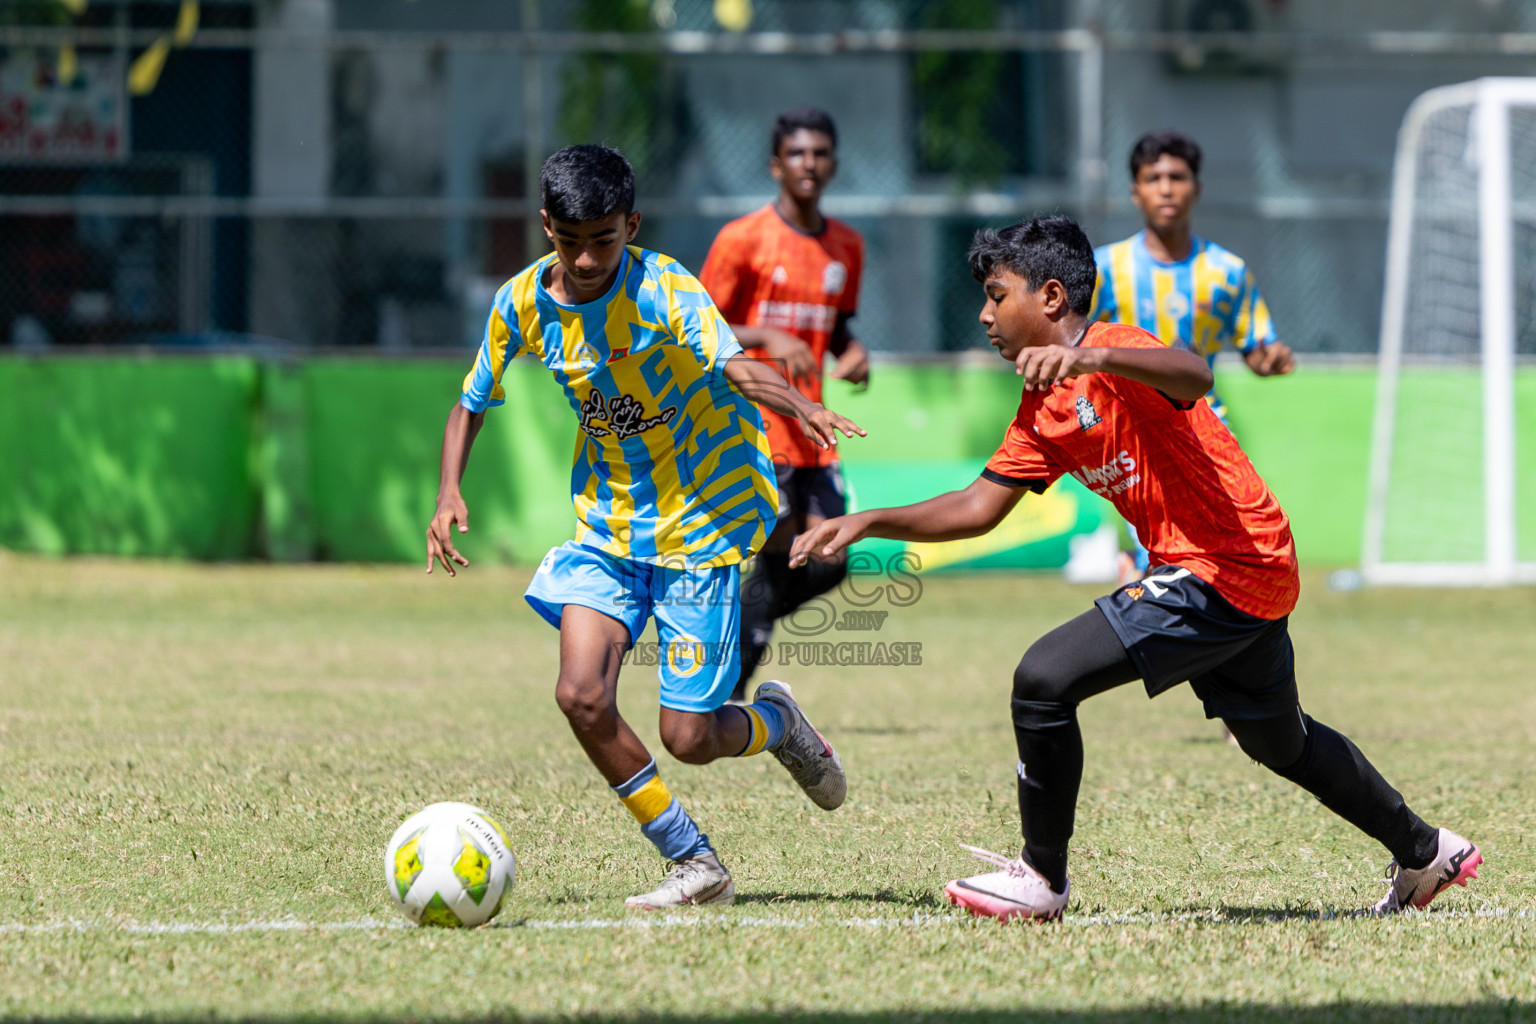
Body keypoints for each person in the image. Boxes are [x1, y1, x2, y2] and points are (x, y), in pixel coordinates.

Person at [790, 215, 1481, 922]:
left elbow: (1195, 372)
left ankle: (1040, 878)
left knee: (1043, 680)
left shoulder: (1112, 347)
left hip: (1225, 562)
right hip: (1245, 571)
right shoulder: (1042, 406)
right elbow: (976, 506)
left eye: (997, 295)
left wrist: (1093, 361)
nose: (984, 313)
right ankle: (1425, 851)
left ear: (1051, 297)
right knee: (1283, 742)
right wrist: (868, 520)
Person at [427, 145, 862, 909]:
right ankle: (694, 861)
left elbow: (735, 366)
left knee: (689, 738)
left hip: (700, 530)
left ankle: (776, 723)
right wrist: (447, 493)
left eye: (604, 238)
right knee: (581, 696)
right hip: (607, 533)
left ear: (632, 223)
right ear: (546, 228)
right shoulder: (522, 303)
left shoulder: (666, 290)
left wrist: (801, 404)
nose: (588, 257)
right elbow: (470, 401)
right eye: (570, 240)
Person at [698, 106, 870, 701]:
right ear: (776, 164)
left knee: (828, 560)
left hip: (813, 429)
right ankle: (721, 692)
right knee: (777, 561)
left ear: (834, 164)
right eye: (798, 153)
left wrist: (852, 354)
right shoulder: (742, 240)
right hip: (755, 425)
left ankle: (726, 666)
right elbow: (698, 330)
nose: (810, 164)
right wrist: (768, 338)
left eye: (820, 153)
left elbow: (839, 328)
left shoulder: (846, 247)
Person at [1090, 130, 1295, 580]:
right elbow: (1078, 344)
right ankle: (1135, 576)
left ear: (1195, 189)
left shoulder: (1226, 271)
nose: (1166, 188)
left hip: (1207, 432)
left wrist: (1271, 359)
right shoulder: (1106, 269)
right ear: (1135, 191)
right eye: (1153, 177)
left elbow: (1256, 349)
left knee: (1220, 558)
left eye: (1177, 177)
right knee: (1164, 559)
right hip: (1133, 434)